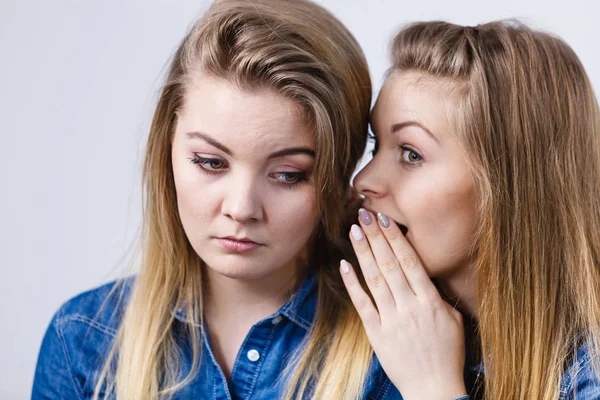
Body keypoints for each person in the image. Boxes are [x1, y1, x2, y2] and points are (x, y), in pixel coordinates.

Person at [31, 1, 405, 399]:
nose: (241, 209)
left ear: (339, 175)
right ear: (167, 151)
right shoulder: (82, 343)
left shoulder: (398, 348)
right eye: (210, 162)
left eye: (288, 175)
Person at [341, 21, 600, 400]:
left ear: (509, 184)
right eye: (376, 144)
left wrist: (432, 388)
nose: (364, 179)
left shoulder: (587, 373)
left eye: (411, 154)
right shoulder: (375, 329)